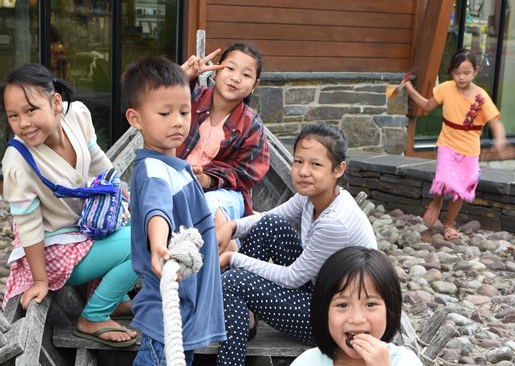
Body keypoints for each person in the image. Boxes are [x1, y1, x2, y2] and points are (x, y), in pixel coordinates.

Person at [0, 63, 138, 347]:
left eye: (30, 110)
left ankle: (118, 301)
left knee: (154, 223)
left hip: (84, 228)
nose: (23, 123)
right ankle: (94, 316)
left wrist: (120, 190)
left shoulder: (76, 115)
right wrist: (40, 281)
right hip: (56, 248)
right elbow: (29, 227)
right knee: (145, 241)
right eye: (13, 116)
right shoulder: (18, 163)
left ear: (56, 102)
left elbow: (96, 158)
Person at [215, 123, 378, 366]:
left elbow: (292, 278)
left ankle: (231, 358)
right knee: (270, 225)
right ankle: (243, 316)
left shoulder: (336, 222)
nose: (303, 171)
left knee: (233, 280)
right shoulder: (313, 196)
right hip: (321, 293)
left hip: (336, 321)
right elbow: (271, 217)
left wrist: (233, 258)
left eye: (316, 164)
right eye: (298, 162)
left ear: (338, 169)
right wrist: (232, 227)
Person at [123, 56, 226, 365]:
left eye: (184, 111)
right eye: (165, 114)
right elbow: (158, 210)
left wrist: (185, 75)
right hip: (169, 308)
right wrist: (158, 244)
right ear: (136, 119)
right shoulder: (155, 169)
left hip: (185, 306)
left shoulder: (174, 165)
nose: (178, 122)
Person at [403, 48, 507, 241]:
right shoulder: (446, 88)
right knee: (443, 177)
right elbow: (427, 105)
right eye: (457, 73)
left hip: (469, 149)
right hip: (447, 142)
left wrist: (500, 139)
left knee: (460, 190)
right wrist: (410, 89)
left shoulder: (481, 96)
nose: (461, 77)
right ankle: (436, 202)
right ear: (451, 72)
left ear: (475, 71)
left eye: (466, 73)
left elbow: (495, 122)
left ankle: (449, 224)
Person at [178, 42, 270, 254]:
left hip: (224, 193)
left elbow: (247, 174)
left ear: (255, 84)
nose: (236, 78)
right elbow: (157, 102)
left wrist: (208, 180)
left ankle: (228, 270)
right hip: (177, 182)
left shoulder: (251, 125)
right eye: (230, 68)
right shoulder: (190, 97)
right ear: (217, 69)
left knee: (208, 205)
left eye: (246, 75)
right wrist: (182, 76)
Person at [291, 246, 422, 365]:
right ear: (323, 311)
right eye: (342, 305)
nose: (357, 319)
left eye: (370, 304)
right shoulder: (307, 362)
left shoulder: (405, 361)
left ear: (390, 309)